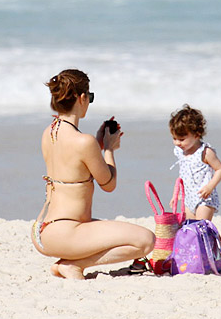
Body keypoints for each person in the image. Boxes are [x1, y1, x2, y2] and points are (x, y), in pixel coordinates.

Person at [31, 69, 155, 279]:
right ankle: (74, 264)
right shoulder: (84, 142)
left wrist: (96, 148)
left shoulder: (49, 132)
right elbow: (109, 184)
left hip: (42, 231)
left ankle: (70, 263)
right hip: (66, 233)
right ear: (81, 98)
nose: (88, 101)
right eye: (90, 97)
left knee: (118, 234)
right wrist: (108, 149)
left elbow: (72, 163)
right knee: (146, 240)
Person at [168, 105, 221, 221]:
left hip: (204, 198)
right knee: (190, 227)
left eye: (182, 139)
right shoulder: (180, 152)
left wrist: (210, 186)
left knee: (202, 227)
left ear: (196, 135)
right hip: (188, 198)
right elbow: (182, 174)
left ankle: (213, 239)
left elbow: (220, 169)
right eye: (174, 138)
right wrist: (176, 194)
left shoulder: (205, 152)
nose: (177, 143)